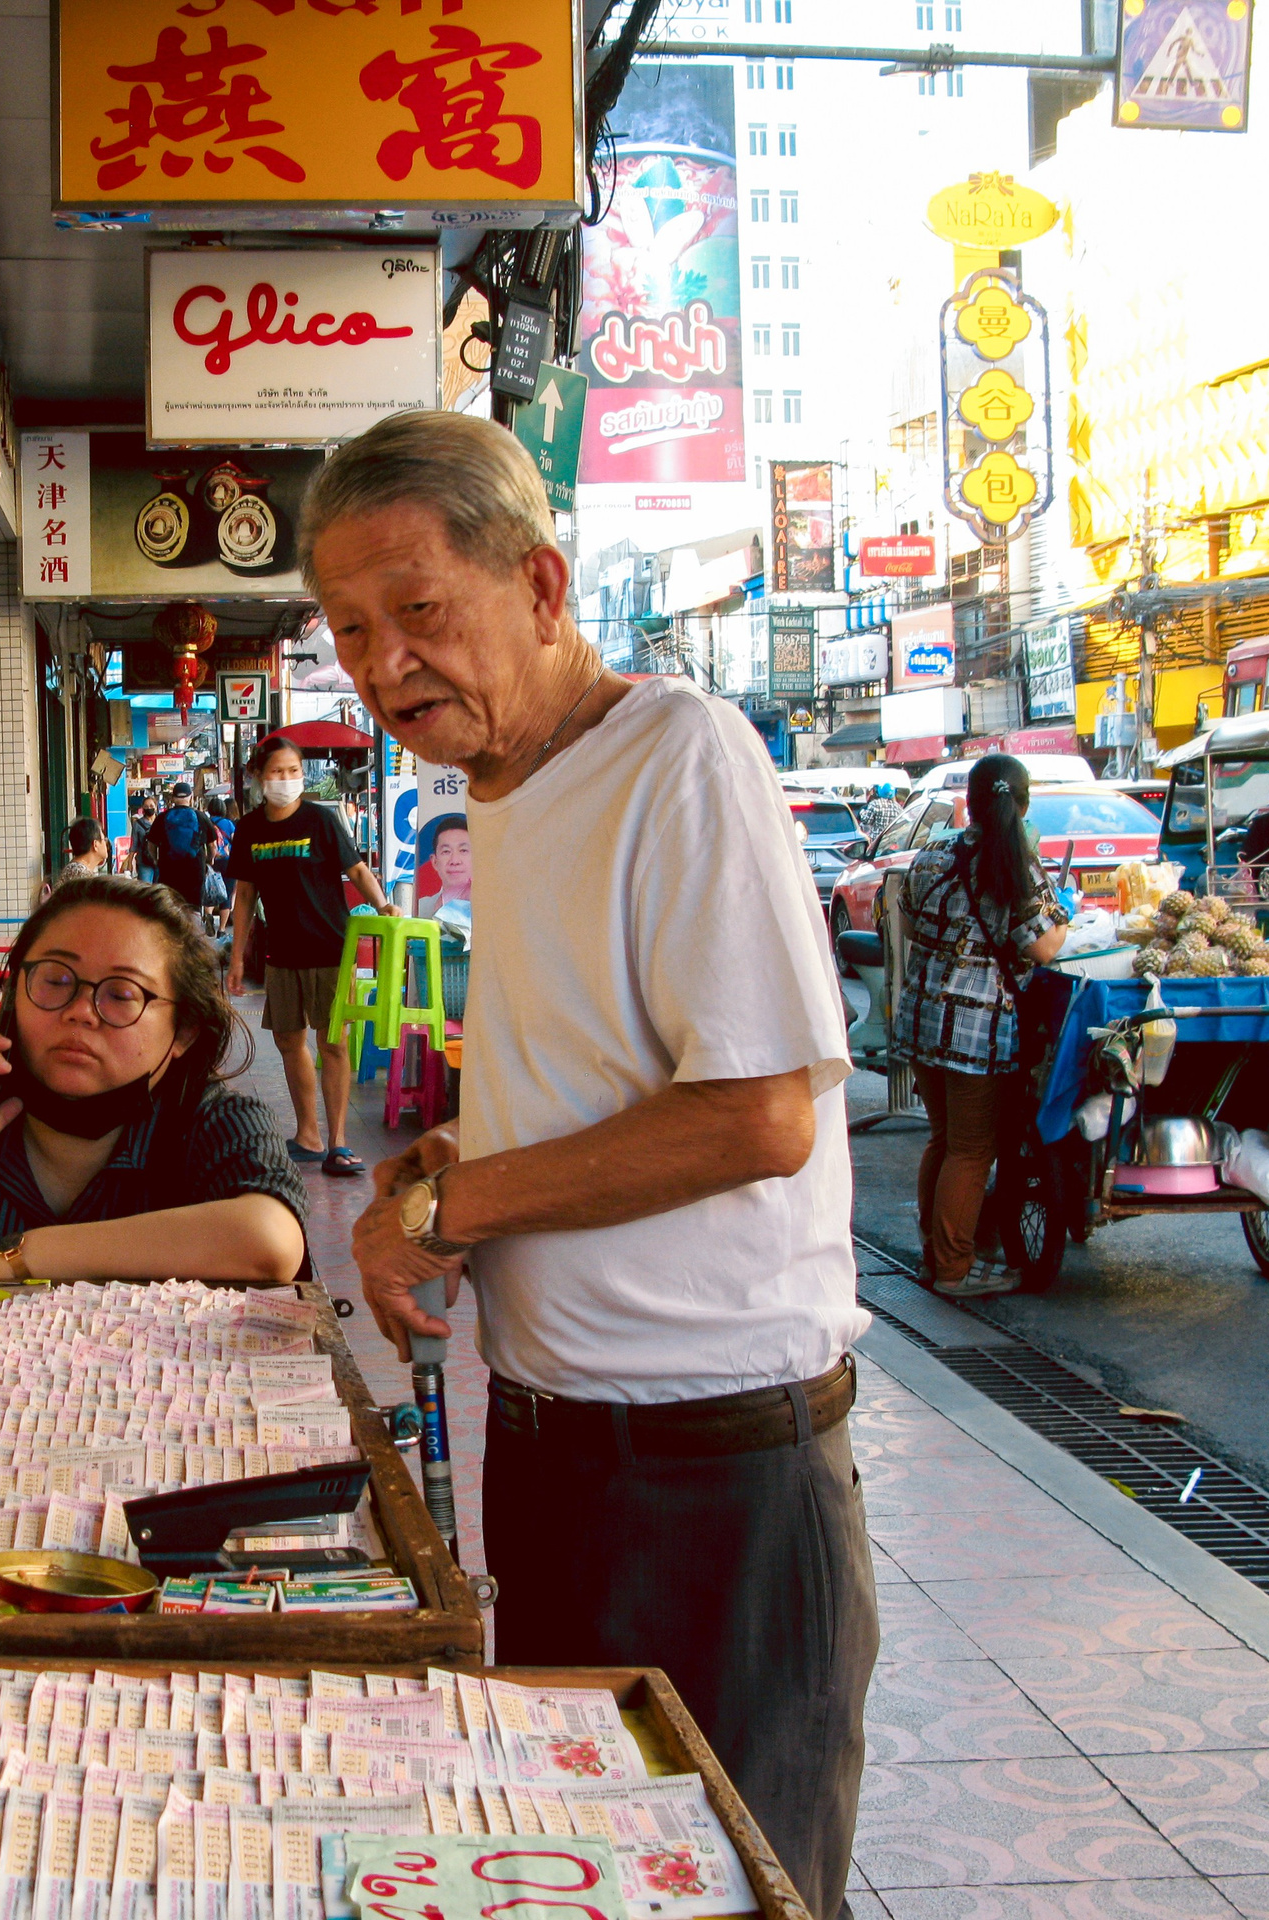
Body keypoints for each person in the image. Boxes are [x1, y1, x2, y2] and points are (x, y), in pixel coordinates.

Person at [313, 411, 872, 1920]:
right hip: (560, 1444)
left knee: (732, 1881)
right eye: (351, 630)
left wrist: (451, 1205)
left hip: (713, 1471)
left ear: (542, 586)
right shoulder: (503, 792)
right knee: (585, 1868)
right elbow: (603, 1080)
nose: (383, 665)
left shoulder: (677, 754)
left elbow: (756, 1114)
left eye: (418, 611)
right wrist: (448, 1163)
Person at [0, 874, 308, 1280]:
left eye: (121, 994)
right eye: (56, 980)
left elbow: (270, 1240)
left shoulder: (210, 1121)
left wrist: (31, 1255)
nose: (81, 1011)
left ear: (184, 1032)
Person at [894, 755, 1070, 1299]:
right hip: (977, 1030)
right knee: (971, 1149)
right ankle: (954, 1268)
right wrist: (1063, 925)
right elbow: (1043, 947)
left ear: (967, 803)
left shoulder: (933, 853)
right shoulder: (1017, 864)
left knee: (944, 1139)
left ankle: (935, 1255)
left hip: (923, 1019)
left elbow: (907, 919)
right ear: (1023, 805)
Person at [226, 735, 397, 1178]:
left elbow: (356, 869)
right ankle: (308, 1136)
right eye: (277, 772)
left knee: (332, 1042)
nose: (286, 780)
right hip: (281, 952)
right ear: (258, 777)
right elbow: (245, 894)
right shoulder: (250, 829)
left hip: (330, 948)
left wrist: (383, 905)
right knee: (288, 1041)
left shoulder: (320, 820)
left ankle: (338, 1142)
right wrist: (238, 956)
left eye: (293, 771)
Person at [146, 779, 219, 912]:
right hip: (195, 870)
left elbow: (151, 844)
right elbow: (213, 846)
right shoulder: (201, 817)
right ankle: (193, 925)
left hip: (168, 870)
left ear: (173, 798)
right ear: (191, 797)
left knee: (170, 906)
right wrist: (209, 860)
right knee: (193, 908)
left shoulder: (162, 818)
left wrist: (156, 860)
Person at [413, 815, 473, 928]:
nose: (454, 861)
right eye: (446, 851)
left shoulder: (492, 905)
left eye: (463, 850)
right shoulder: (420, 909)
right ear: (435, 862)